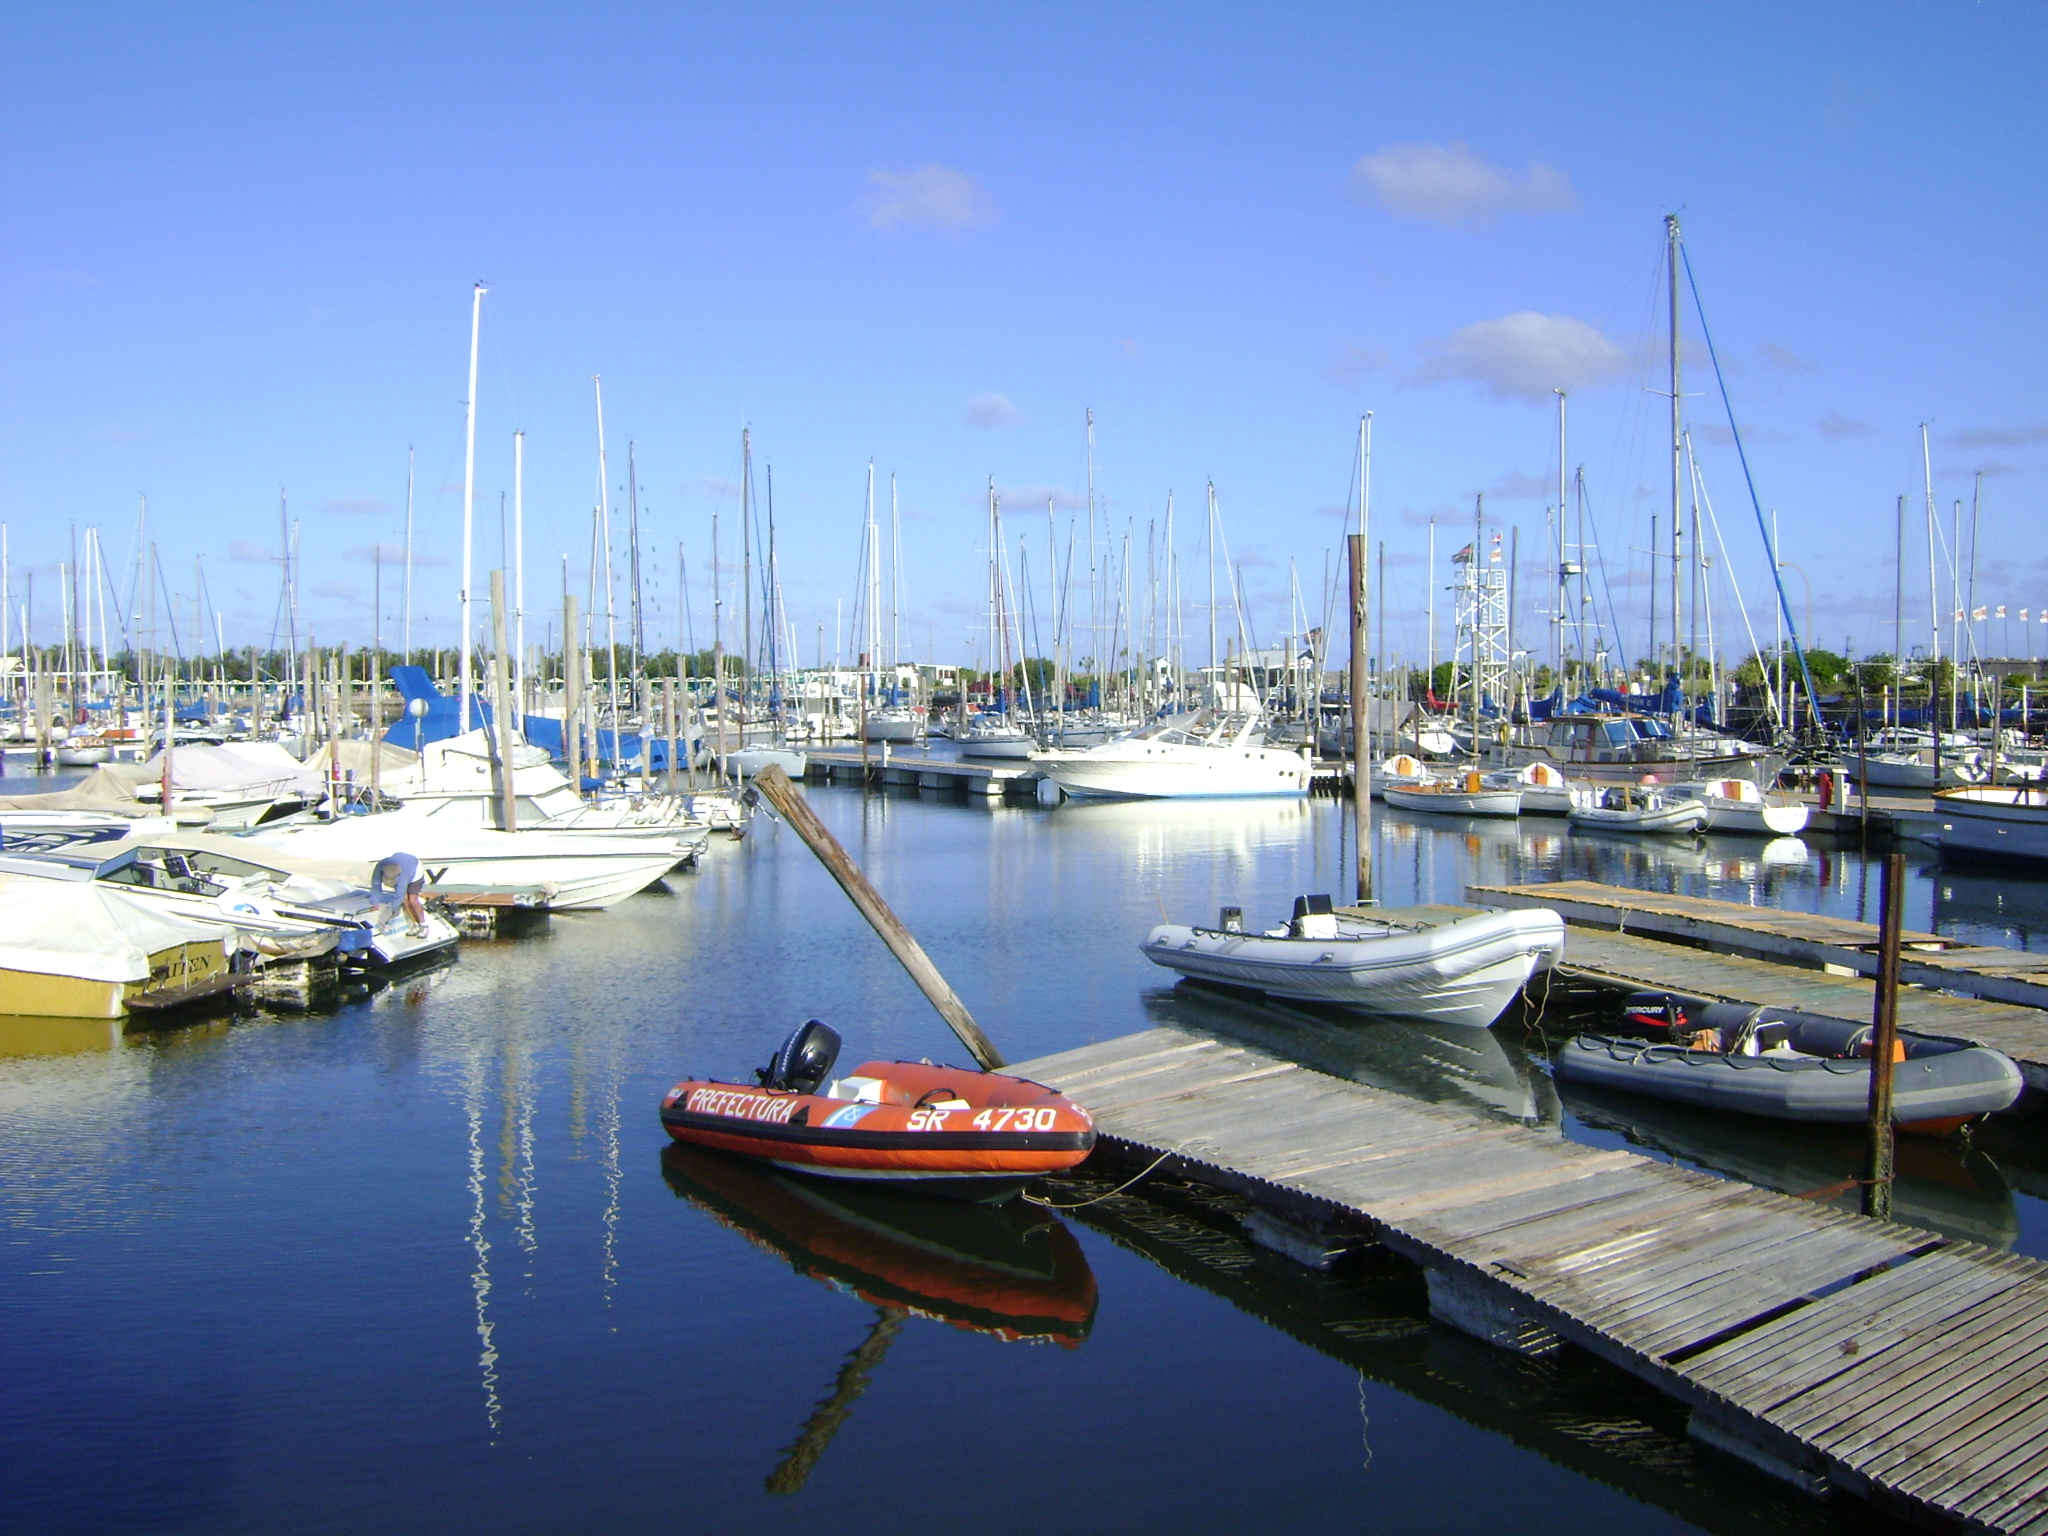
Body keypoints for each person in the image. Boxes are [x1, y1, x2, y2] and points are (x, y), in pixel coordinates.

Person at [370, 851, 429, 937]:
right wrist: (375, 903)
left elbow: (399, 895)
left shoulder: (402, 876)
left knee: (412, 900)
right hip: (401, 861)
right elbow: (375, 886)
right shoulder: (379, 868)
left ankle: (424, 925)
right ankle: (415, 924)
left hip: (415, 869)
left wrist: (389, 912)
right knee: (405, 901)